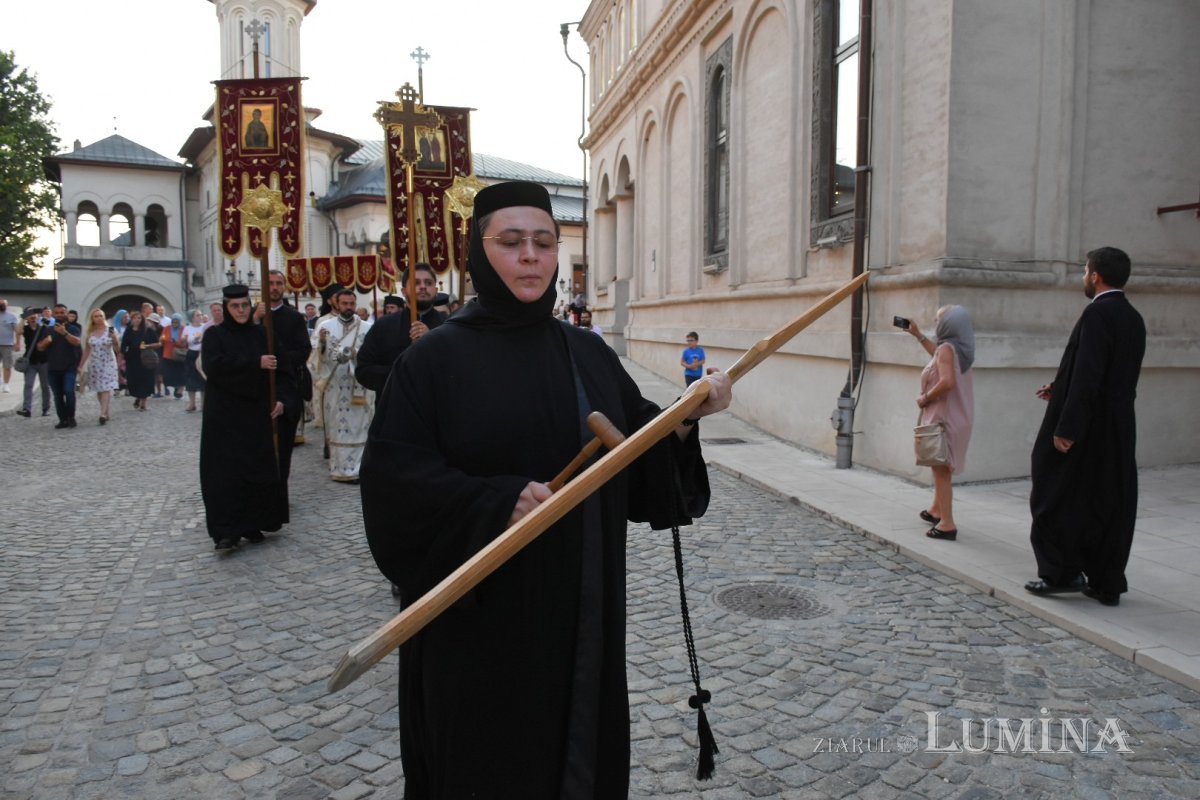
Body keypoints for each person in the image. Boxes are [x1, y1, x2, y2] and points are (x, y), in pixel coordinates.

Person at [360, 181, 732, 797]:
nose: (530, 256)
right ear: (479, 254)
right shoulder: (432, 362)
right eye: (510, 242)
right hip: (480, 628)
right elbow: (395, 485)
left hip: (582, 609)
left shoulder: (587, 352)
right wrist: (494, 501)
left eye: (543, 242)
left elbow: (641, 455)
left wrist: (688, 418)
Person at [1025, 246, 1146, 607]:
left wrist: (1067, 427)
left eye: (1084, 270)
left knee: (1052, 489)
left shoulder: (1097, 315)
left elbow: (1090, 375)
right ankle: (1107, 583)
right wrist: (1058, 388)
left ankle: (1060, 574)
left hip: (1087, 423)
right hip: (1119, 424)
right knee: (1110, 499)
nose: (1083, 276)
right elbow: (1105, 372)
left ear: (1096, 275)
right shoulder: (1133, 316)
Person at [200, 284, 288, 551]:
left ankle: (254, 522)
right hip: (224, 418)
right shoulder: (214, 336)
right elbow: (214, 366)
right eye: (235, 307)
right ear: (226, 309)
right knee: (225, 475)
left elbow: (283, 367)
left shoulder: (263, 334)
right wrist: (255, 363)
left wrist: (283, 399)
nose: (241, 311)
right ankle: (227, 530)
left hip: (256, 414)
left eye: (245, 306)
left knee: (256, 469)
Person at [904, 306, 976, 540]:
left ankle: (947, 524)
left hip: (942, 418)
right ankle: (937, 510)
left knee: (941, 469)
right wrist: (918, 335)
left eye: (938, 320)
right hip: (957, 417)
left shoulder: (947, 349)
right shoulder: (959, 349)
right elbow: (938, 357)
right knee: (942, 466)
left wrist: (925, 398)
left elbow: (946, 381)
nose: (935, 323)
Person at [355, 264, 445, 398]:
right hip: (395, 408)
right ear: (403, 291)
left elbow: (460, 369)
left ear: (436, 290)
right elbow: (363, 371)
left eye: (428, 283)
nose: (422, 287)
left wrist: (431, 341)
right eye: (416, 282)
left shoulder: (448, 325)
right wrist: (401, 372)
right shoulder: (384, 326)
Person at [315, 289, 373, 482]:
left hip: (359, 386)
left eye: (351, 304)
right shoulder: (325, 326)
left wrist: (356, 354)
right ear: (337, 304)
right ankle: (339, 469)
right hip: (336, 387)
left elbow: (372, 354)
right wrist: (322, 344)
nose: (348, 307)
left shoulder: (366, 327)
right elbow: (316, 359)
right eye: (345, 304)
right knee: (338, 426)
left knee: (360, 427)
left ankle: (359, 469)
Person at [265, 269, 313, 491]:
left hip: (287, 386)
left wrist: (279, 361)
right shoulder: (254, 316)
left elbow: (304, 350)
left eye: (278, 283)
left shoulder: (293, 317)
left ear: (284, 287)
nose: (274, 287)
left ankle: (280, 490)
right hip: (259, 388)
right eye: (270, 283)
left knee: (283, 447)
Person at [36, 304, 83, 429]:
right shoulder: (48, 330)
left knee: (69, 391)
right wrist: (45, 343)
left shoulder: (73, 328)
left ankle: (71, 417)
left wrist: (64, 333)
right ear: (53, 315)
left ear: (66, 314)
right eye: (56, 313)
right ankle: (63, 419)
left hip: (69, 366)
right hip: (52, 367)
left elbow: (77, 342)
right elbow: (39, 347)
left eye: (62, 312)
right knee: (57, 395)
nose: (59, 315)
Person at [79, 309, 121, 425]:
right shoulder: (90, 332)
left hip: (108, 362)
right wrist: (81, 365)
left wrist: (115, 339)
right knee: (99, 388)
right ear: (92, 319)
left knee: (106, 388)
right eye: (96, 316)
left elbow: (118, 349)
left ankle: (102, 414)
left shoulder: (110, 330)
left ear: (104, 317)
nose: (99, 318)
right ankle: (105, 411)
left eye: (101, 316)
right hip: (95, 363)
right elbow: (87, 350)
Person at [121, 310, 159, 411]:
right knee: (134, 380)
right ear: (131, 319)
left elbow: (158, 343)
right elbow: (124, 345)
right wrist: (122, 357)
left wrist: (147, 345)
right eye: (134, 318)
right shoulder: (128, 330)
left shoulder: (148, 330)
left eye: (139, 318)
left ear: (142, 320)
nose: (137, 320)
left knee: (146, 380)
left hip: (146, 358)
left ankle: (143, 402)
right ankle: (138, 396)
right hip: (132, 359)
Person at [17, 308, 51, 418]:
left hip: (43, 360)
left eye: (34, 314)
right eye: (30, 315)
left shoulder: (43, 328)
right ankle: (26, 409)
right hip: (30, 361)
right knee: (28, 385)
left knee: (45, 386)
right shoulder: (26, 329)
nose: (32, 316)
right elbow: (18, 331)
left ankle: (45, 408)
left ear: (38, 316)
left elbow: (49, 339)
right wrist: (23, 319)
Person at [181, 310, 207, 412]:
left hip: (203, 354)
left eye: (201, 314)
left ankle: (204, 403)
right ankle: (192, 403)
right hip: (192, 354)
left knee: (203, 378)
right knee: (191, 378)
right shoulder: (187, 328)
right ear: (192, 317)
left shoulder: (205, 326)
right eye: (197, 315)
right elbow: (184, 341)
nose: (200, 316)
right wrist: (191, 339)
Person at [161, 314, 188, 399]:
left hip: (180, 354)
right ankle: (176, 386)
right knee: (169, 374)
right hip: (168, 354)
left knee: (181, 374)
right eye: (173, 321)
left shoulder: (184, 329)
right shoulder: (167, 328)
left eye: (177, 322)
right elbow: (162, 337)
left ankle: (180, 389)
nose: (175, 323)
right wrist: (164, 339)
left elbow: (185, 342)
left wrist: (176, 342)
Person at [0, 297, 18, 392]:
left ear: (7, 305)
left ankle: (6, 384)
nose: (1, 305)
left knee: (7, 365)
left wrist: (18, 342)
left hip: (7, 344)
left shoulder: (12, 316)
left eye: (3, 304)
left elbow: (17, 330)